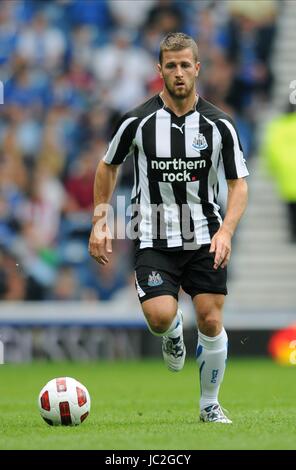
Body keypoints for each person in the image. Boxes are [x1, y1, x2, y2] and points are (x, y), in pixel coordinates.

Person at [88, 32, 248, 423]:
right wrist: (100, 219)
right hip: (152, 233)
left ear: (198, 68)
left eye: (185, 65)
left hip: (205, 236)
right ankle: (173, 333)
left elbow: (237, 183)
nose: (179, 73)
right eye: (171, 65)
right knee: (160, 317)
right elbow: (108, 165)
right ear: (160, 70)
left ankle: (209, 404)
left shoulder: (219, 125)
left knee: (211, 319)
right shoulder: (137, 121)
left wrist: (226, 230)